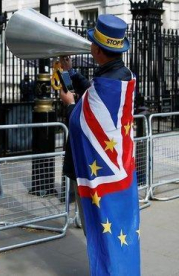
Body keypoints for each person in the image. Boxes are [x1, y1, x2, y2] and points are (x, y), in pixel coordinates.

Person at [59, 14, 141, 275]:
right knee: (119, 228)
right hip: (121, 170)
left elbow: (83, 121)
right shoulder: (121, 75)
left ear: (96, 49)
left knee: (99, 228)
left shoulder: (108, 81)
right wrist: (70, 72)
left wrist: (70, 104)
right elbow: (94, 94)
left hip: (101, 176)